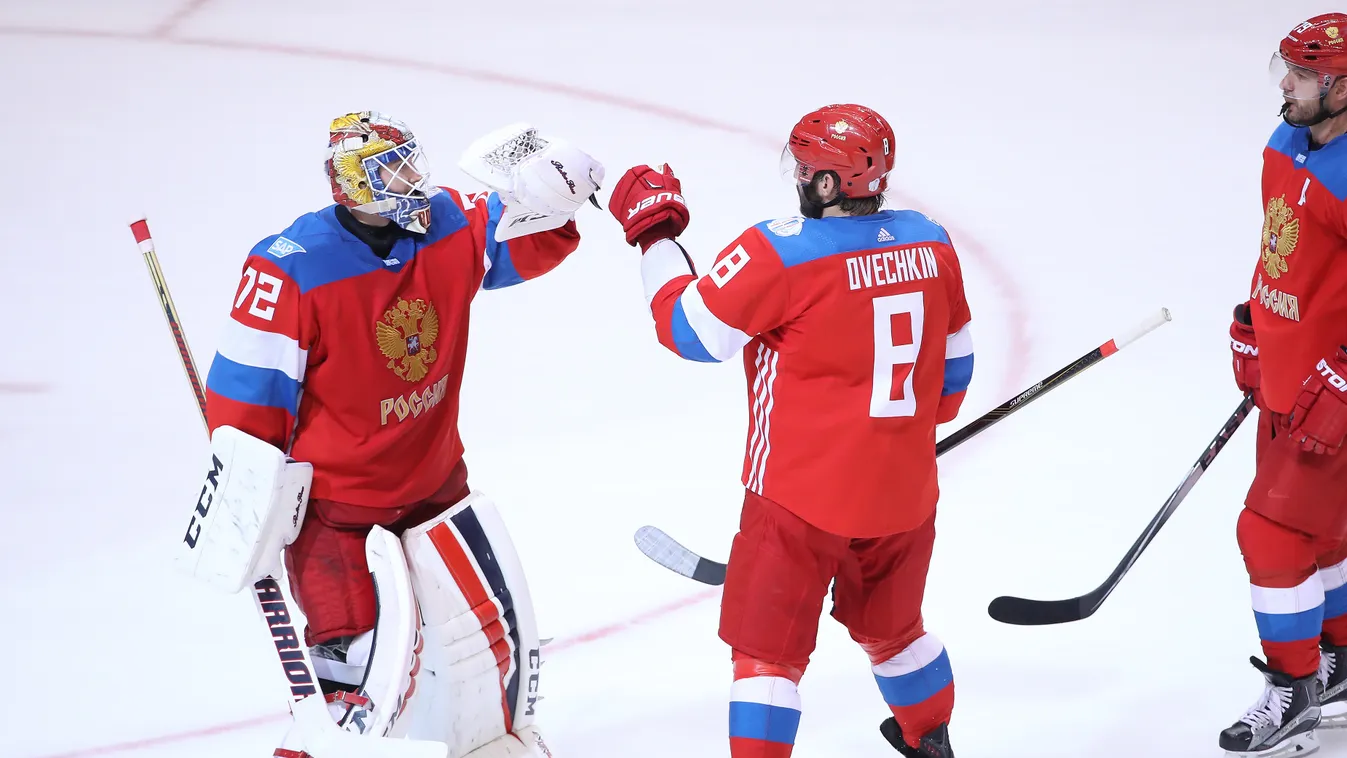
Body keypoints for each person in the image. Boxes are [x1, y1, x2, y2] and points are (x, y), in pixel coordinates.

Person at [201, 111, 602, 758]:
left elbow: (531, 242)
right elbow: (245, 400)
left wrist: (562, 188)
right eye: (394, 168)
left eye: (411, 161)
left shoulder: (448, 224)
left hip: (436, 488)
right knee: (353, 689)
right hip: (338, 513)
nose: (414, 178)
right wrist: (248, 484)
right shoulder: (288, 269)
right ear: (354, 184)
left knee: (482, 651)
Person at [607, 104, 974, 758]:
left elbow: (688, 333)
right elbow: (954, 372)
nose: (798, 178)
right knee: (896, 632)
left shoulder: (778, 250)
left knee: (766, 657)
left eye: (805, 168)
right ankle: (930, 740)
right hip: (905, 495)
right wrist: (904, 440)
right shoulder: (932, 241)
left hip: (795, 499)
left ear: (830, 183)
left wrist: (655, 237)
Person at [1223, 13, 1347, 758]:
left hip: (1332, 394)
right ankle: (1334, 661)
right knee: (1322, 536)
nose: (1285, 87)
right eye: (1285, 69)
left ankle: (1293, 686)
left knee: (1267, 533)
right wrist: (1253, 323)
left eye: (1301, 76)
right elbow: (1279, 249)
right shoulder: (1283, 141)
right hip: (1289, 381)